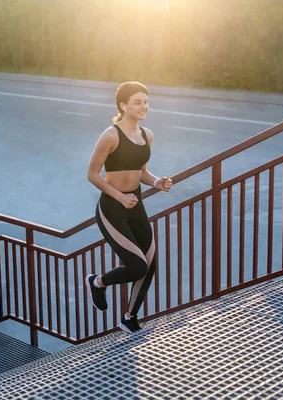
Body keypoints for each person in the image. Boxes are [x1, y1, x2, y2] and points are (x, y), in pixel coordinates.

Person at [86, 81, 172, 333]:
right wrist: (120, 197)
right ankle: (98, 282)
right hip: (112, 208)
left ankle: (129, 317)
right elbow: (93, 174)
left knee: (150, 264)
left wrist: (157, 181)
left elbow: (141, 171)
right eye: (138, 102)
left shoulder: (148, 135)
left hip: (135, 204)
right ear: (123, 106)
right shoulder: (110, 135)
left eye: (146, 101)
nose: (144, 106)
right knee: (137, 266)